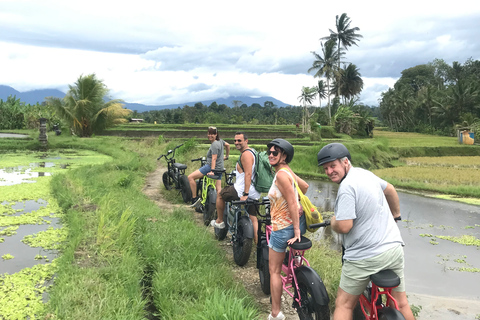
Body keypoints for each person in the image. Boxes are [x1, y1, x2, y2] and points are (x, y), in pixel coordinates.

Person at [317, 143, 415, 320]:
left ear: (345, 162)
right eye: (325, 168)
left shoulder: (347, 187)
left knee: (344, 304)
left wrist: (333, 222)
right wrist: (396, 216)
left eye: (333, 166)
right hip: (394, 250)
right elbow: (390, 190)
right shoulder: (365, 174)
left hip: (364, 257)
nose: (329, 171)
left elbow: (345, 226)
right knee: (401, 303)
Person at [266, 138, 308, 320]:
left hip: (282, 228)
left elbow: (292, 202)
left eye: (275, 153)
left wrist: (296, 230)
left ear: (283, 156)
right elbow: (304, 187)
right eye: (269, 152)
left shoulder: (282, 175)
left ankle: (276, 313)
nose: (270, 155)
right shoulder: (286, 171)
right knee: (285, 265)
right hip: (290, 227)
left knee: (274, 271)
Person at [213, 132, 260, 241]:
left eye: (239, 140)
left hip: (242, 190)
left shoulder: (246, 154)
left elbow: (248, 174)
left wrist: (245, 194)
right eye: (235, 141)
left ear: (246, 141)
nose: (236, 143)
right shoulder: (253, 152)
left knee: (220, 195)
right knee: (253, 218)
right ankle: (257, 247)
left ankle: (219, 221)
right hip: (255, 191)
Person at [188, 126, 230, 206]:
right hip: (220, 168)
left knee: (190, 177)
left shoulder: (214, 144)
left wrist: (212, 171)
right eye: (209, 134)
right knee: (219, 191)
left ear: (216, 134)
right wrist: (226, 157)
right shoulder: (220, 141)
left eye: (212, 134)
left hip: (210, 167)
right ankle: (221, 207)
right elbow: (228, 145)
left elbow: (214, 159)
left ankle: (194, 198)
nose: (210, 136)